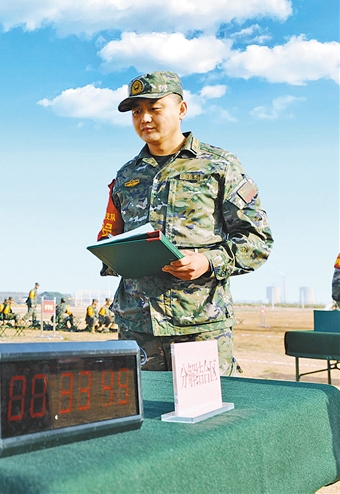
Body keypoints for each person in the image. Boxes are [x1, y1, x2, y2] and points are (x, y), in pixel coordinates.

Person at [98, 71, 273, 375]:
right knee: (142, 406)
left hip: (199, 327)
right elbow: (112, 237)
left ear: (181, 109)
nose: (144, 118)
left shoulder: (219, 165)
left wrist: (207, 261)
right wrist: (112, 255)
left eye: (154, 108)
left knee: (207, 408)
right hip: (137, 328)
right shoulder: (126, 176)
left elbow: (257, 240)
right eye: (136, 111)